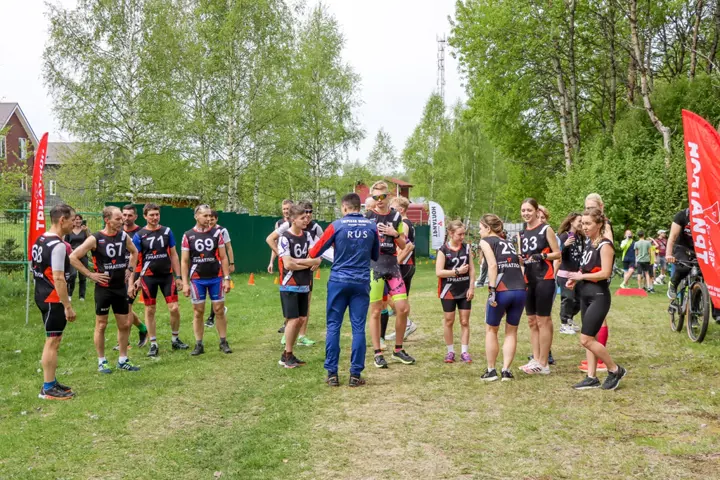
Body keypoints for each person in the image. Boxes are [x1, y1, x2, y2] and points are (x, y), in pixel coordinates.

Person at [308, 193, 379, 386]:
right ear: (359, 207)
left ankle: (332, 374)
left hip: (338, 280)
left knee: (333, 326)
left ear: (344, 207)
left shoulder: (336, 225)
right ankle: (355, 374)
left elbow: (314, 252)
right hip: (361, 281)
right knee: (358, 328)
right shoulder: (371, 226)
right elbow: (375, 255)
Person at [70, 206, 141, 373]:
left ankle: (123, 359)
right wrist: (90, 274)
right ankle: (102, 361)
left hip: (120, 287)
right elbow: (73, 257)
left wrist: (130, 269)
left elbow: (134, 252)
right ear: (107, 220)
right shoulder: (95, 238)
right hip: (103, 289)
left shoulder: (123, 236)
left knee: (124, 324)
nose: (122, 221)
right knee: (101, 325)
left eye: (122, 218)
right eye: (118, 218)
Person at [567, 208, 627, 390]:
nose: (584, 227)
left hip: (598, 296)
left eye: (588, 224)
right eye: (582, 224)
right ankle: (591, 376)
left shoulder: (605, 245)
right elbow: (586, 268)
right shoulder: (589, 243)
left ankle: (615, 369)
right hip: (585, 294)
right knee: (589, 337)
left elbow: (605, 273)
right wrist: (575, 279)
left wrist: (582, 277)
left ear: (599, 224)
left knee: (586, 339)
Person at [365, 181, 415, 368]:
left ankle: (398, 350)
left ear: (388, 196)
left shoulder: (396, 216)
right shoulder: (368, 216)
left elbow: (403, 244)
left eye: (383, 196)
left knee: (403, 308)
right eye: (376, 197)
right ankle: (377, 352)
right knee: (376, 310)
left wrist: (395, 234)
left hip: (392, 266)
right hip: (375, 266)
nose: (379, 200)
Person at [33, 204, 78, 400]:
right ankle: (48, 388)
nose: (74, 223)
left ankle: (51, 381)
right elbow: (59, 277)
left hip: (41, 294)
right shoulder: (58, 245)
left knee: (53, 339)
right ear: (62, 220)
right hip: (53, 298)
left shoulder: (41, 239)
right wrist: (67, 306)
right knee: (53, 341)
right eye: (72, 220)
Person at [132, 203, 188, 357]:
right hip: (148, 277)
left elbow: (174, 254)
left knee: (174, 308)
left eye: (157, 214)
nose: (155, 217)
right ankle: (153, 343)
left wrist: (178, 277)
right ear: (145, 216)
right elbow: (135, 259)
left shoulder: (167, 231)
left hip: (167, 276)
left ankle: (175, 339)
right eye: (151, 215)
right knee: (150, 309)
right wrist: (136, 279)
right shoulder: (139, 235)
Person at [266, 201, 324, 347]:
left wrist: (313, 261)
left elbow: (320, 248)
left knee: (304, 308)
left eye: (310, 212)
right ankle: (288, 340)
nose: (307, 216)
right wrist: (282, 255)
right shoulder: (286, 230)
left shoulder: (314, 229)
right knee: (292, 314)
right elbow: (270, 240)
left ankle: (301, 336)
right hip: (290, 277)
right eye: (305, 214)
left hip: (306, 274)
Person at [478, 214, 526, 381]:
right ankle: (506, 370)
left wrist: (492, 289)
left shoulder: (486, 241)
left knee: (491, 329)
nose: (479, 232)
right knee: (511, 332)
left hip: (502, 289)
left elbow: (492, 265)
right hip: (519, 289)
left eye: (480, 228)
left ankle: (491, 370)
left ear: (488, 228)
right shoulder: (508, 242)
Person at [181, 205, 233, 355]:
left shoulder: (217, 233)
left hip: (216, 277)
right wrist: (185, 283)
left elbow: (223, 257)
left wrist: (226, 278)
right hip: (197, 279)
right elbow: (184, 261)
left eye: (210, 216)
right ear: (196, 216)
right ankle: (199, 344)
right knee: (198, 311)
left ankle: (223, 342)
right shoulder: (188, 235)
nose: (208, 219)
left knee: (219, 310)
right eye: (205, 216)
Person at [517, 198, 560, 375]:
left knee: (543, 320)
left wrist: (542, 256)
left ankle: (544, 362)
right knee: (531, 321)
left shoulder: (545, 229)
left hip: (545, 278)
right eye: (523, 210)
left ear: (536, 211)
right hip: (529, 279)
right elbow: (522, 257)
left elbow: (557, 254)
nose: (526, 213)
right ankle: (535, 359)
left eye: (529, 210)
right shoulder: (521, 233)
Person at [277, 205, 323, 368]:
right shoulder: (284, 238)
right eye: (302, 218)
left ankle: (287, 354)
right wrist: (308, 262)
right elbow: (288, 264)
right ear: (293, 219)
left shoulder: (308, 236)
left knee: (302, 319)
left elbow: (316, 257)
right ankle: (288, 354)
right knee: (293, 319)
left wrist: (301, 261)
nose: (306, 220)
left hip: (304, 283)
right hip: (289, 284)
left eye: (307, 217)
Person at [666, 208, 720, 322]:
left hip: (701, 250)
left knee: (713, 279)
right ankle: (673, 283)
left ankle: (716, 314)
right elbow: (672, 237)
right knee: (685, 267)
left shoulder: (709, 217)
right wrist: (668, 255)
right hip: (682, 248)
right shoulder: (682, 215)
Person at [436, 220, 475, 363]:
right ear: (451, 234)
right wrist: (457, 271)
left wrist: (471, 287)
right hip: (448, 290)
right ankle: (450, 351)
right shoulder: (443, 250)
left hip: (464, 289)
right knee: (449, 321)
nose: (462, 237)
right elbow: (439, 272)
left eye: (464, 234)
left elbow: (472, 270)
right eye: (460, 234)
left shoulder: (467, 248)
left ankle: (464, 352)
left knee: (464, 321)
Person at [385, 196, 418, 342]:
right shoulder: (408, 223)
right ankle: (402, 327)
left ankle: (407, 324)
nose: (390, 210)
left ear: (401, 209)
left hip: (403, 265)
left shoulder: (403, 224)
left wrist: (395, 263)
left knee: (391, 296)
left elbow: (405, 246)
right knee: (398, 297)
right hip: (407, 265)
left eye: (393, 208)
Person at [121, 205, 149, 347]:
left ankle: (124, 342)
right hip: (118, 273)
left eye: (130, 215)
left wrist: (139, 278)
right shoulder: (117, 231)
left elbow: (145, 257)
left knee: (127, 308)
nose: (126, 218)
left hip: (134, 274)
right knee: (121, 308)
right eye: (124, 215)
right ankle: (143, 329)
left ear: (136, 217)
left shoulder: (141, 233)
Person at [204, 210, 233, 328]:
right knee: (207, 291)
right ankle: (221, 308)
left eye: (212, 219)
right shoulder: (203, 230)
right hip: (206, 264)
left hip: (219, 265)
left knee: (215, 290)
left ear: (216, 219)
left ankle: (211, 318)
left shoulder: (222, 231)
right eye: (208, 219)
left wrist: (231, 263)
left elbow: (229, 247)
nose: (210, 221)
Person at [556, 213, 584, 335]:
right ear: (571, 222)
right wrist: (564, 245)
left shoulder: (581, 237)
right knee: (568, 299)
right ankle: (564, 324)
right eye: (579, 221)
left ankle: (569, 319)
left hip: (577, 274)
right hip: (565, 274)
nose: (581, 224)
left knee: (579, 300)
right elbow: (556, 253)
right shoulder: (564, 236)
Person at [270, 199, 294, 334]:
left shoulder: (297, 222)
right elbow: (274, 242)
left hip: (296, 259)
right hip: (283, 262)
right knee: (285, 290)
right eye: (284, 209)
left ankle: (295, 320)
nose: (285, 211)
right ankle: (287, 320)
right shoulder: (279, 224)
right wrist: (272, 260)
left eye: (287, 208)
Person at [64, 214, 90, 301]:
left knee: (83, 276)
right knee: (73, 274)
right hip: (73, 255)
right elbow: (66, 243)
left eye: (79, 219)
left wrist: (86, 231)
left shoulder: (85, 230)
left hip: (83, 255)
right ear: (73, 221)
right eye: (76, 219)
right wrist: (70, 251)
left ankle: (82, 296)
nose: (78, 221)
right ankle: (69, 294)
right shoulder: (70, 231)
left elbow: (90, 240)